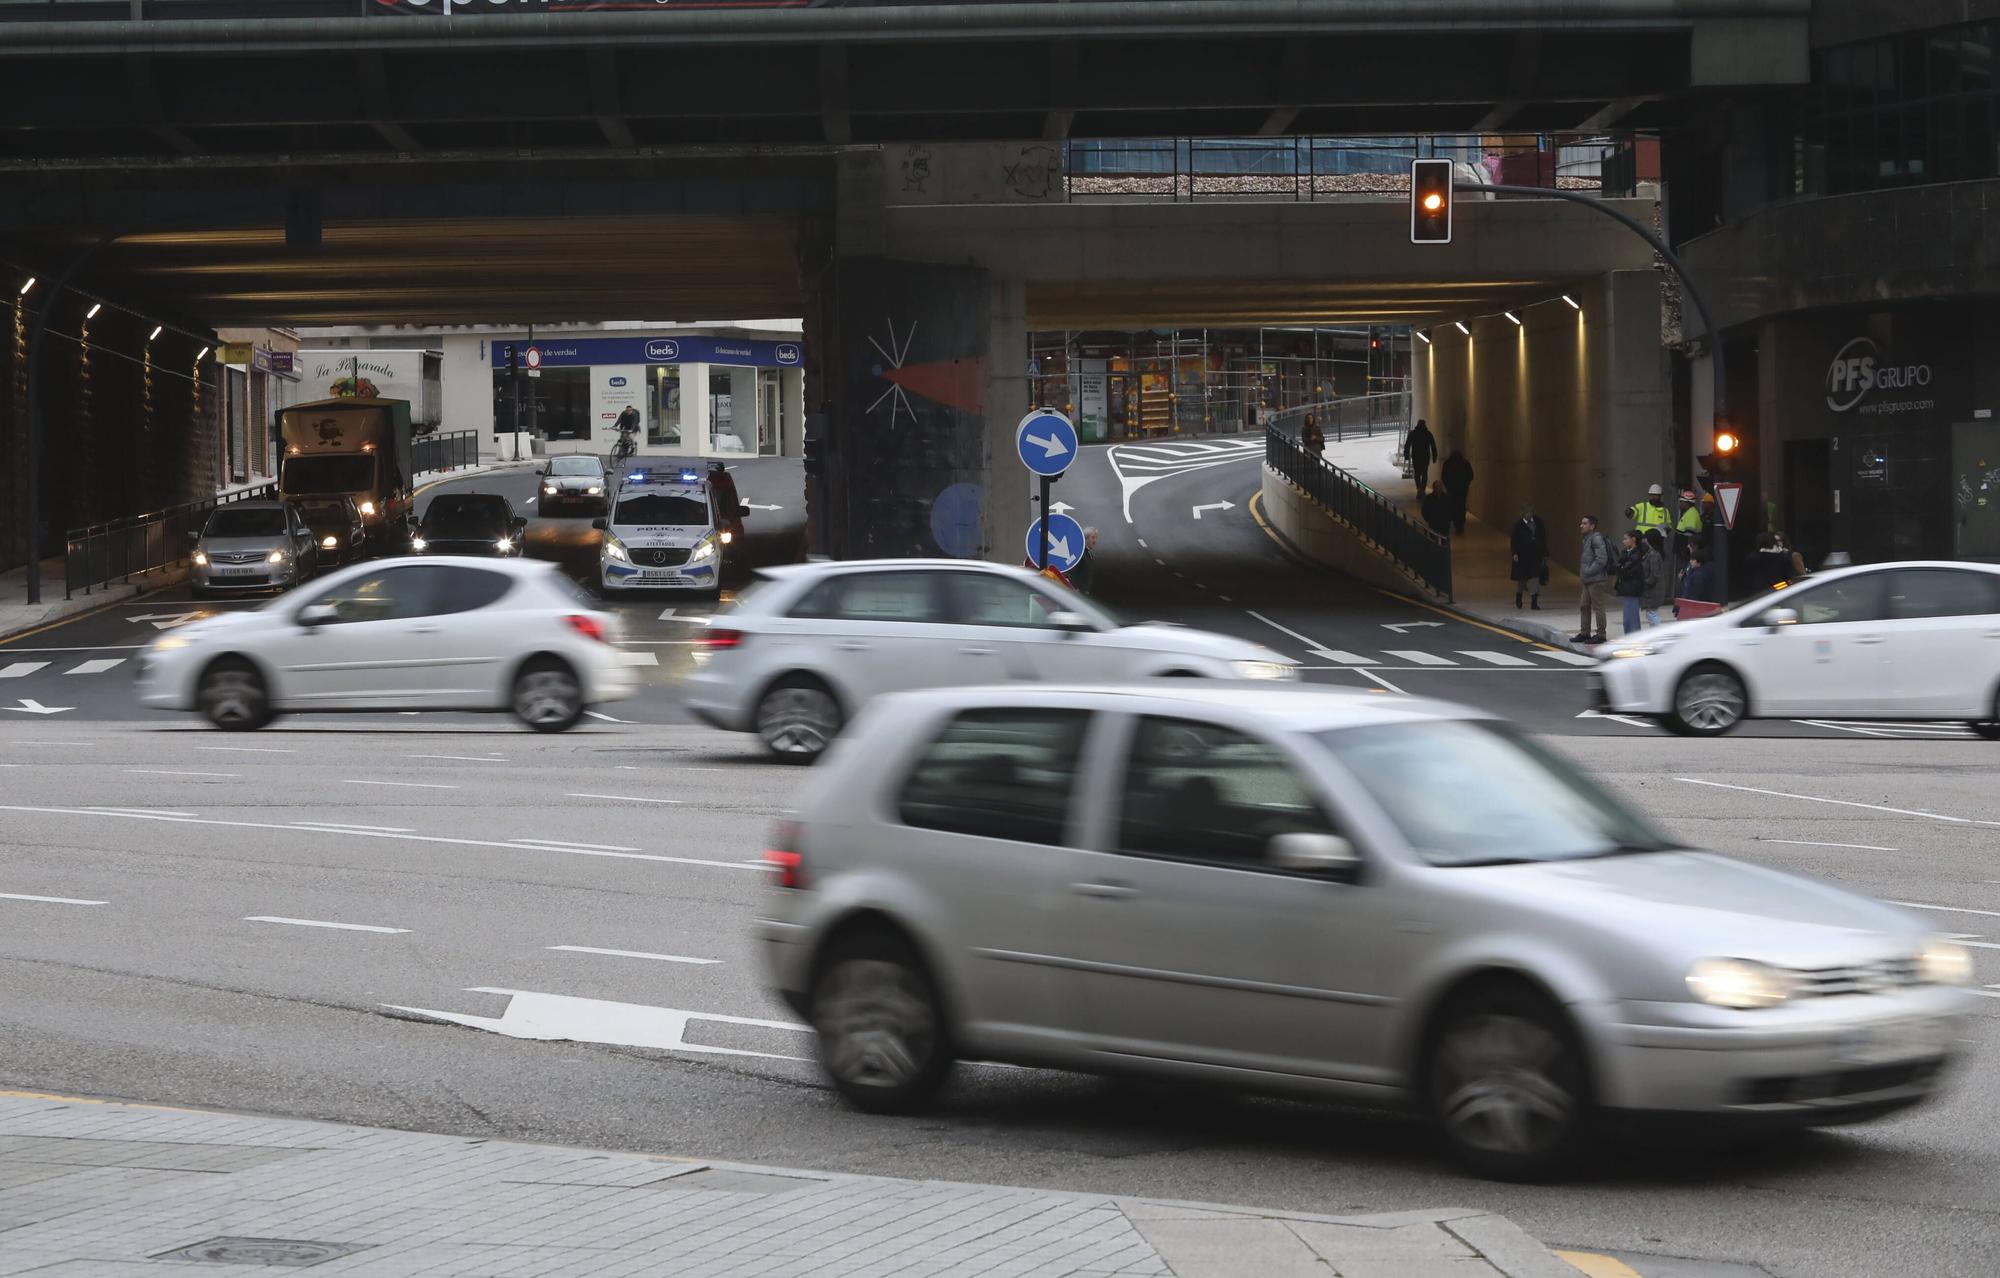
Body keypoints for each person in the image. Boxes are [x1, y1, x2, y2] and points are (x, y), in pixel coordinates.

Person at [1574, 515, 1611, 645]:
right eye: (1581, 523)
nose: (1581, 525)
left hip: (1596, 579)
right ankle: (1585, 633)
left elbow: (1601, 559)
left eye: (1584, 523)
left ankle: (1601, 635)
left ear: (1592, 526)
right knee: (1584, 606)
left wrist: (1588, 571)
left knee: (1598, 607)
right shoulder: (1587, 538)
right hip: (1588, 580)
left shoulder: (1596, 538)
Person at [1509, 502, 1548, 610]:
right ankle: (1519, 597)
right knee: (1522, 579)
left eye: (1531, 512)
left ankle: (1534, 603)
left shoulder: (1538, 522)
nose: (1529, 514)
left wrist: (1544, 553)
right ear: (1522, 513)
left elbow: (1543, 538)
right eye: (1527, 512)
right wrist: (1514, 553)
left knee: (1535, 578)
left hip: (1535, 555)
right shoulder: (1518, 525)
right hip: (1522, 555)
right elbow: (1514, 540)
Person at [1613, 530, 1648, 635]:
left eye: (1625, 539)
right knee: (1627, 618)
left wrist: (1621, 567)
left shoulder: (1639, 554)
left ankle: (1633, 638)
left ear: (1633, 539)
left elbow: (1627, 569)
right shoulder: (1626, 552)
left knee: (1632, 617)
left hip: (1634, 588)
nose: (1623, 541)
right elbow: (1619, 566)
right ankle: (1629, 636)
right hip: (1627, 588)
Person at [1440, 448, 1475, 534]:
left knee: (1453, 505)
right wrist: (1465, 484)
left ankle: (1455, 522)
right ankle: (1460, 524)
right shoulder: (1465, 463)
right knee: (1461, 506)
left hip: (1451, 489)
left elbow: (1443, 476)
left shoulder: (1448, 463)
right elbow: (1471, 475)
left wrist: (1447, 485)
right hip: (1462, 490)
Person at [1640, 528, 1670, 627]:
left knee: (1651, 614)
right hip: (1655, 589)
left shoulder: (1653, 555)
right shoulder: (1653, 553)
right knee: (1651, 613)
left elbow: (1654, 574)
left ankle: (1658, 633)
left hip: (1653, 590)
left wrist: (1646, 584)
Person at [1403, 418, 1438, 493]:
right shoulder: (1428, 433)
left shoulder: (1413, 433)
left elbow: (1407, 445)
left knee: (1417, 473)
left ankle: (1419, 488)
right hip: (1425, 456)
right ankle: (1423, 489)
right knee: (1424, 472)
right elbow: (1433, 445)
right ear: (1425, 425)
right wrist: (1434, 456)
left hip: (1416, 456)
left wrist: (1406, 455)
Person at [1069, 527, 1100, 595]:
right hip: (1079, 595)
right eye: (1093, 538)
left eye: (1096, 538)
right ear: (1085, 538)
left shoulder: (1088, 553)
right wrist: (1075, 588)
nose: (1095, 541)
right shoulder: (1079, 553)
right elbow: (1072, 571)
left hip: (1085, 594)